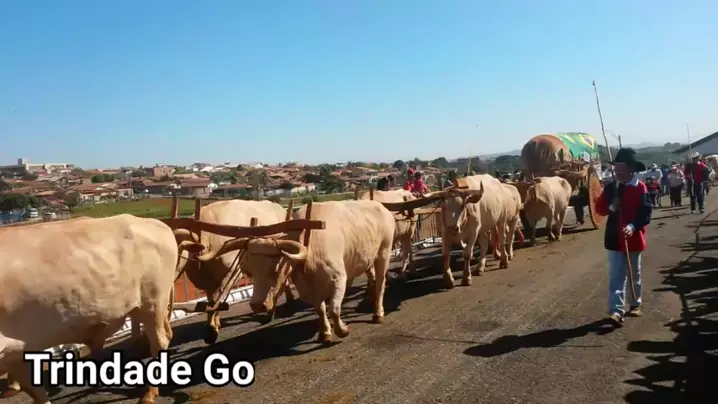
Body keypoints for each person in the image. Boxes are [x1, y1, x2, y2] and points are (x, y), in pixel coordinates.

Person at [595, 148, 652, 327]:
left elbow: (645, 215)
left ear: (631, 169)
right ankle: (616, 311)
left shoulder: (640, 188)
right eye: (616, 167)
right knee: (616, 276)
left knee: (634, 273)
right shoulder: (611, 188)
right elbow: (599, 209)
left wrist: (632, 226)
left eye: (621, 167)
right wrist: (612, 207)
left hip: (633, 237)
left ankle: (635, 303)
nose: (617, 171)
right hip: (614, 237)